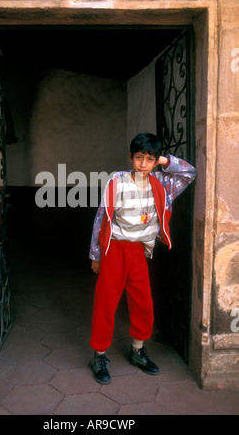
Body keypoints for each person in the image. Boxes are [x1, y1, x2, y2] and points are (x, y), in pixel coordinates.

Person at [89, 132, 197, 384]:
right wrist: (95, 254)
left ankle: (137, 349)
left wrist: (164, 161)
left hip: (138, 251)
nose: (143, 164)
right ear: (130, 157)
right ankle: (99, 354)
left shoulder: (162, 184)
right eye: (139, 158)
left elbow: (189, 173)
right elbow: (101, 218)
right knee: (106, 302)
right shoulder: (117, 181)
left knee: (143, 302)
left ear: (155, 160)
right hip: (114, 249)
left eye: (149, 159)